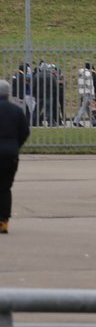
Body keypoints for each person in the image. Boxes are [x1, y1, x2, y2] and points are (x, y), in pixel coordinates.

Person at [0, 80, 31, 235]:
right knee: (5, 188)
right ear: (8, 93)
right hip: (10, 154)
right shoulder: (16, 111)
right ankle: (3, 222)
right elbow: (25, 131)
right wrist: (15, 145)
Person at [72, 62, 96, 128]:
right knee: (83, 107)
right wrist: (93, 95)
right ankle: (76, 121)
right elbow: (90, 85)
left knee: (87, 108)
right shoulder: (88, 74)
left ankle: (94, 122)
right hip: (88, 93)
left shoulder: (81, 73)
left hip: (82, 92)